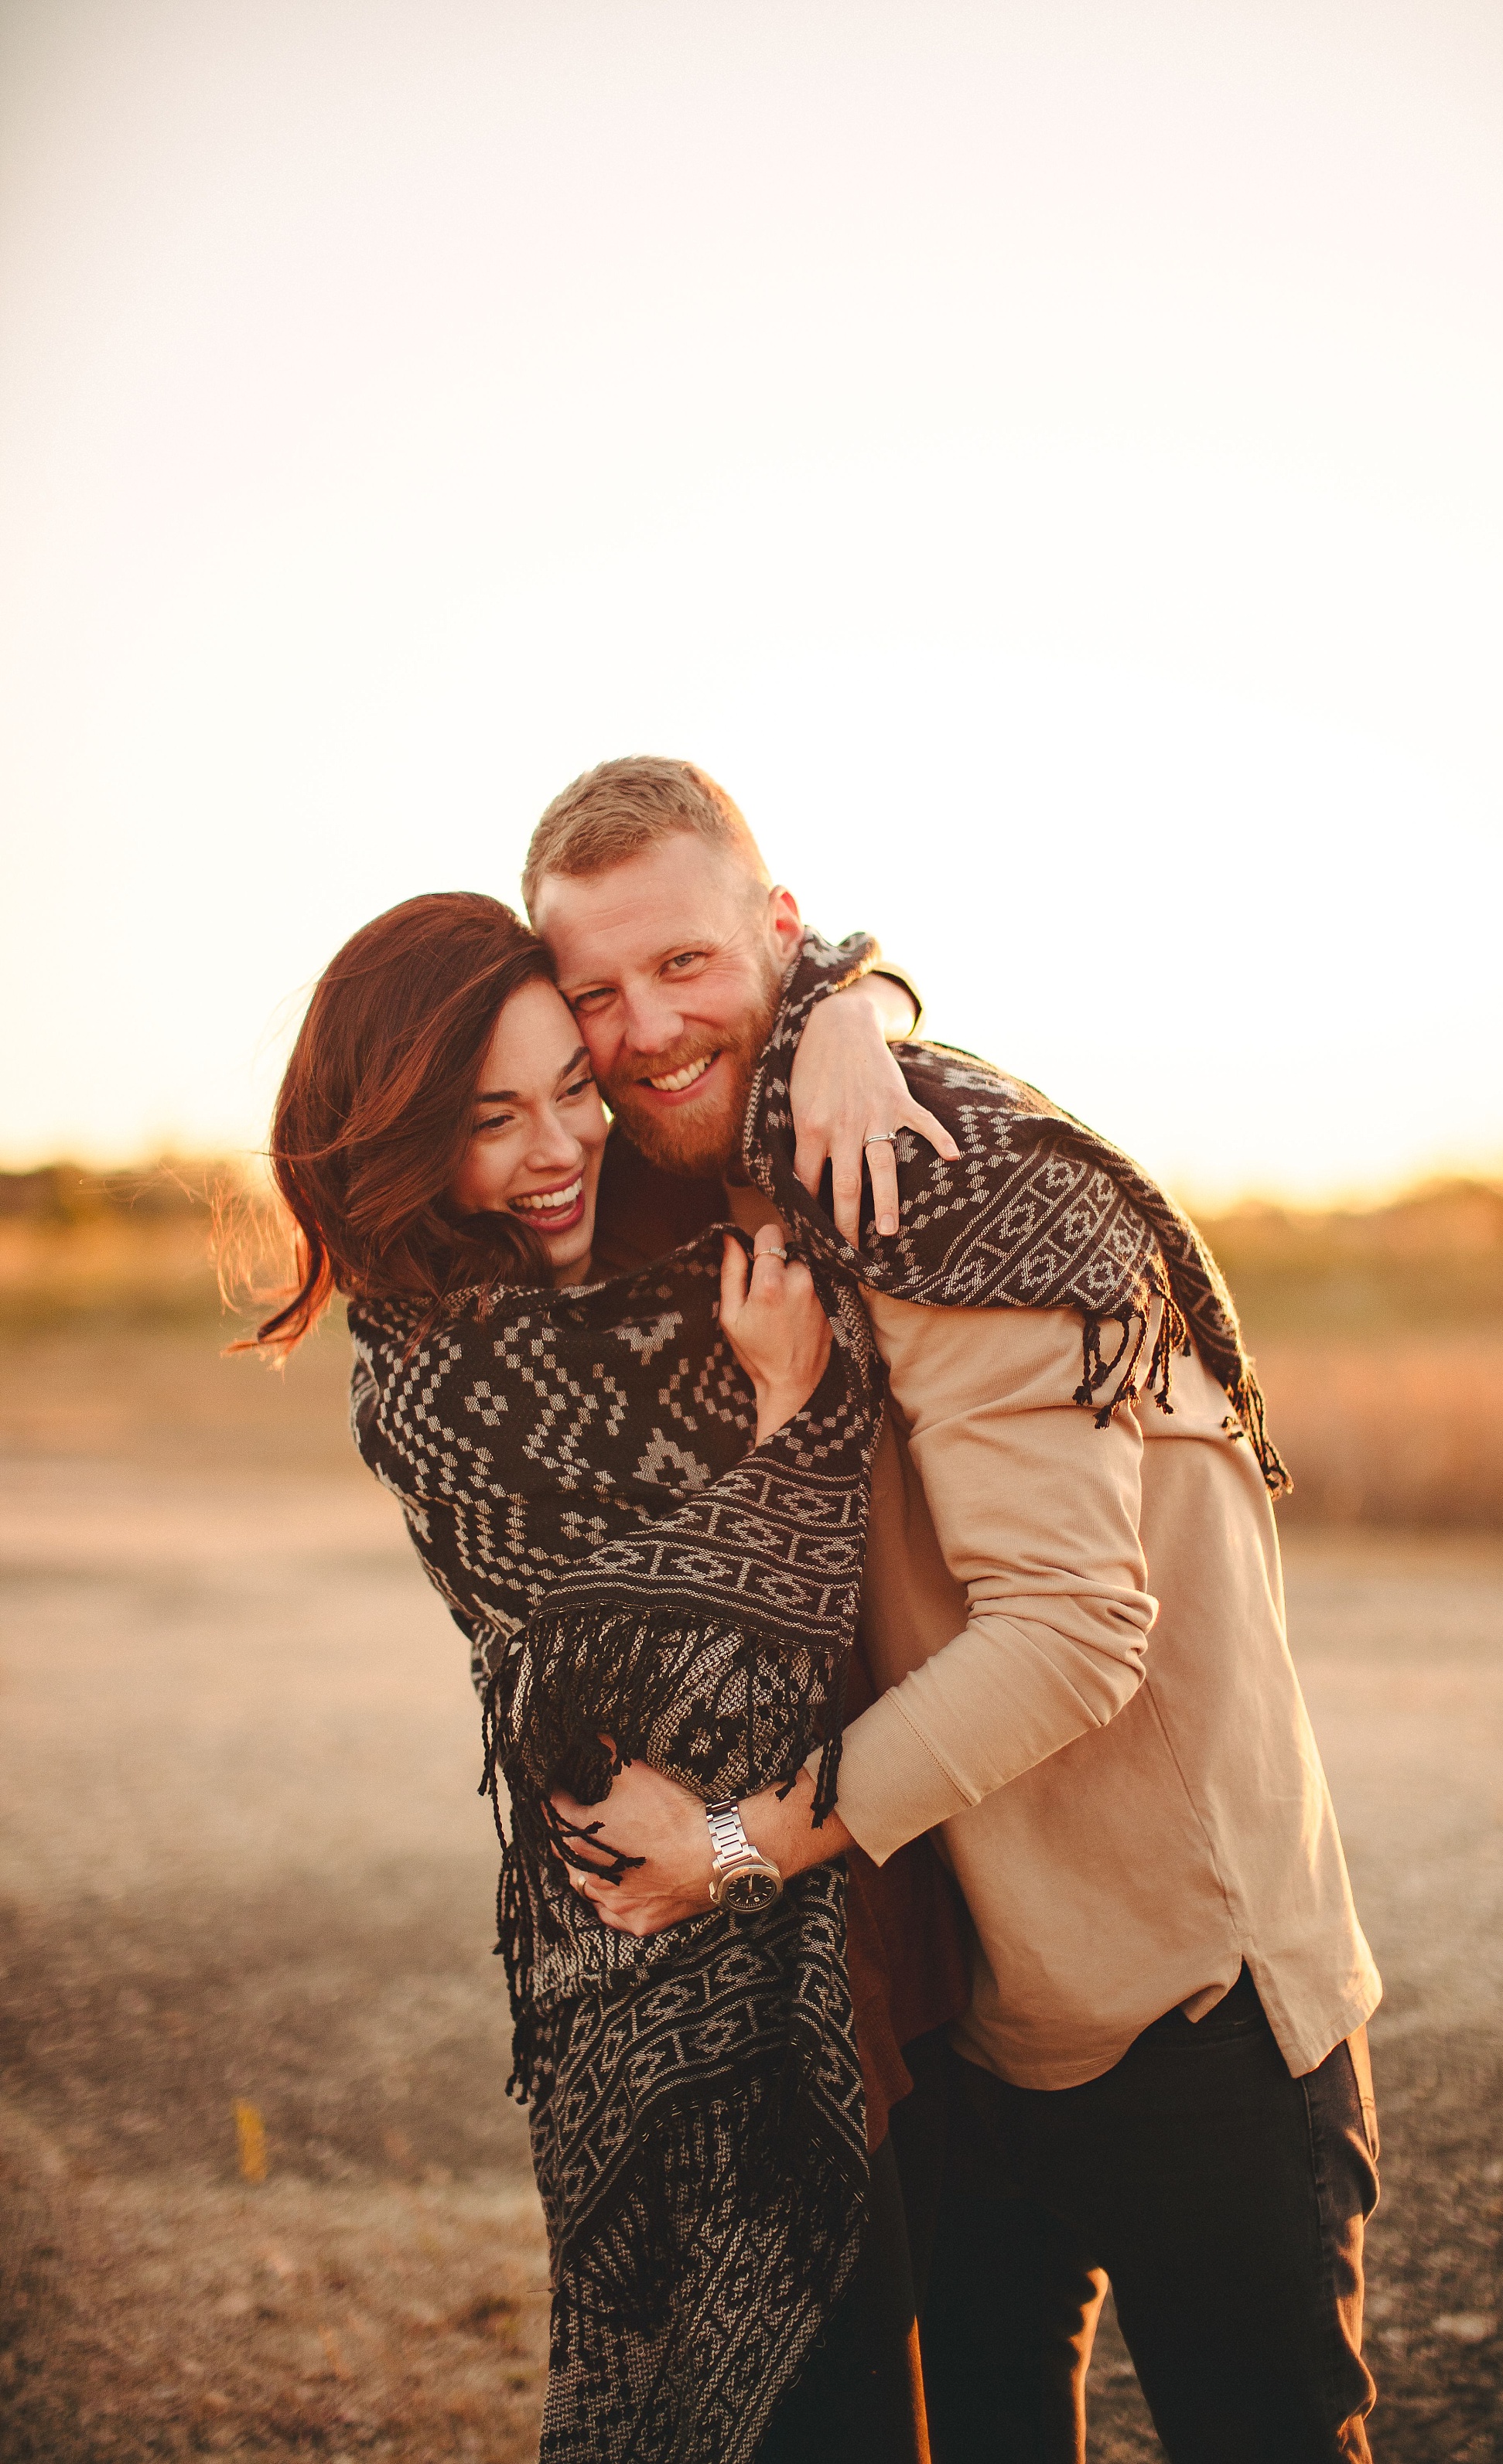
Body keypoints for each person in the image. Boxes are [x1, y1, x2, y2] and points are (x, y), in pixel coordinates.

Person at [518, 756, 1385, 2464]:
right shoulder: (730, 1186)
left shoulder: (946, 1171)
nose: (644, 1030)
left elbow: (1069, 1634)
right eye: (595, 994)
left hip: (1183, 2006)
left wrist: (741, 1848)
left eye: (686, 965)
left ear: (775, 931)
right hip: (956, 2011)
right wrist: (849, 989)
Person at [248, 890, 968, 2464]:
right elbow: (700, 1691)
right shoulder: (431, 1385)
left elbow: (746, 1012)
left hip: (850, 1925)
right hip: (668, 1992)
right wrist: (794, 1413)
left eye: (570, 1088)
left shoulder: (651, 1223)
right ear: (400, 1140)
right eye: (491, 1120)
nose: (559, 1145)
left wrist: (852, 1003)